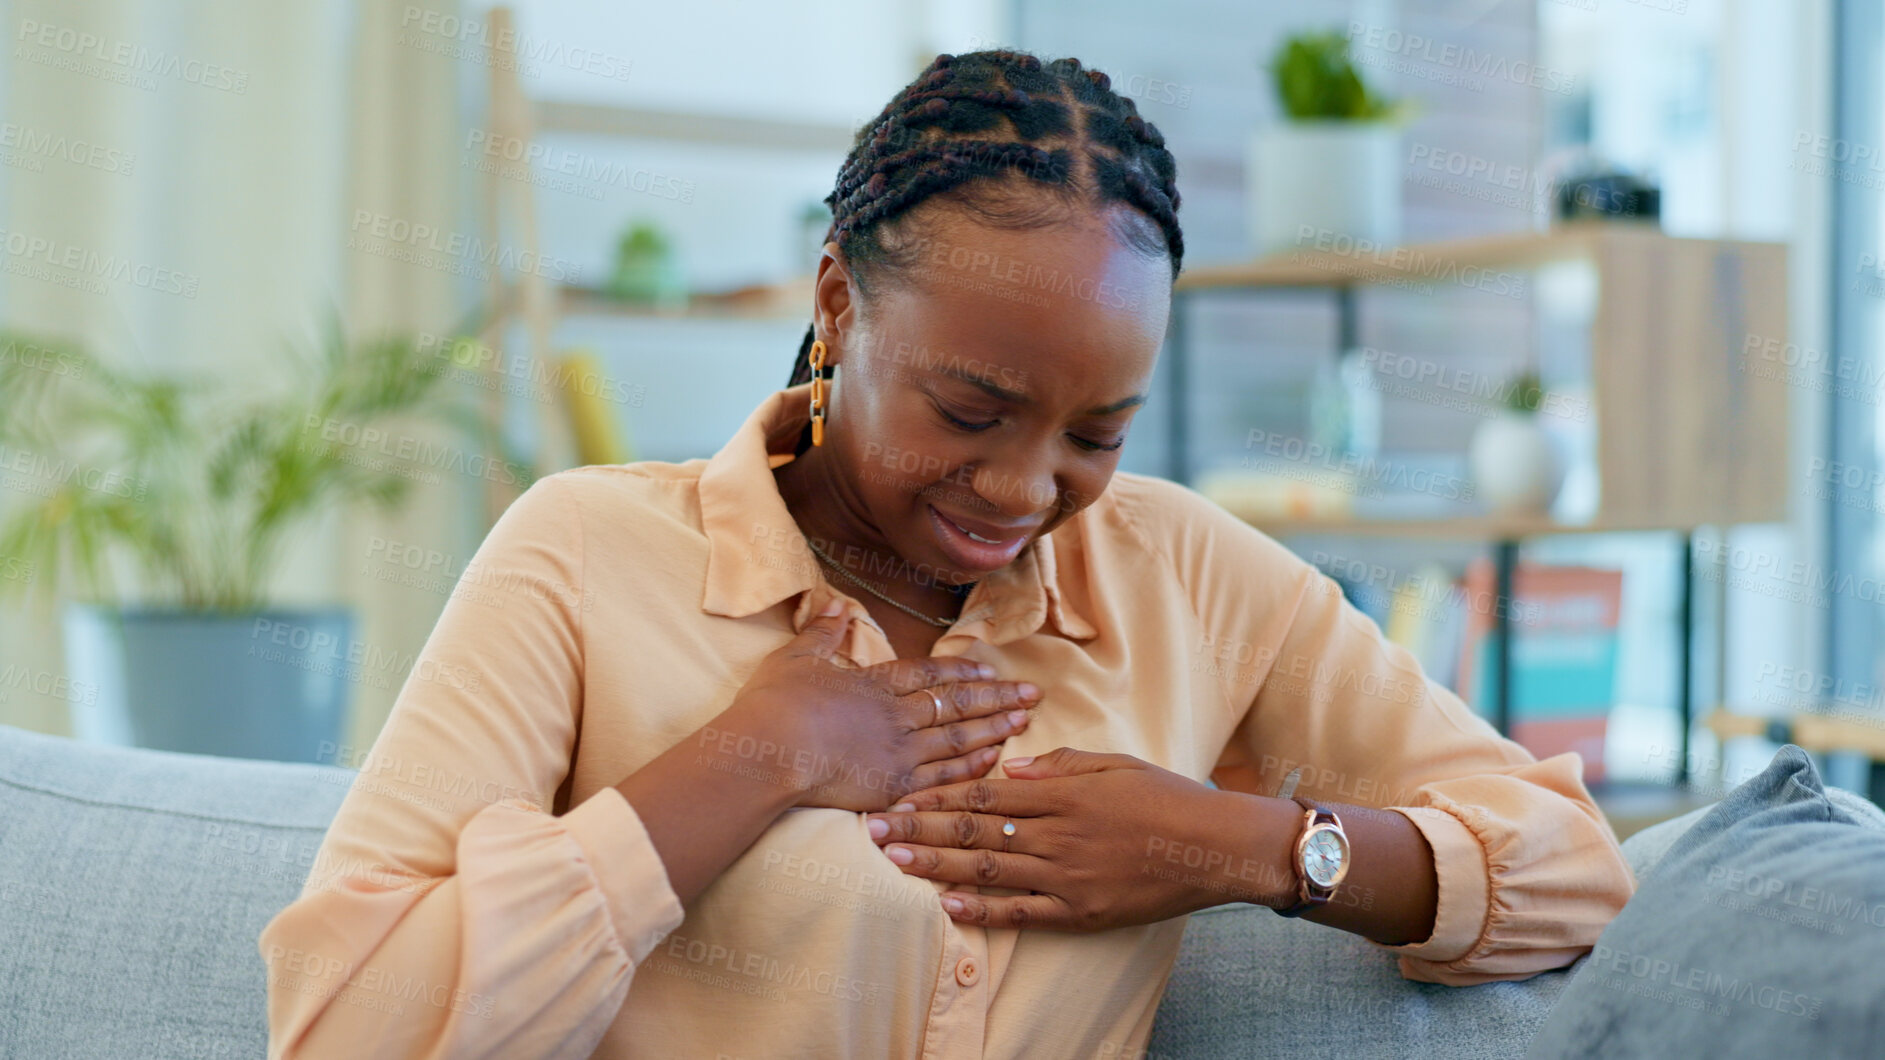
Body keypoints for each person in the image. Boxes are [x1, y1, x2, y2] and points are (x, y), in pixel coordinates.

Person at [260, 49, 1634, 1059]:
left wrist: (1241, 845)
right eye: (967, 412)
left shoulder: (1189, 580)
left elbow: (1573, 865)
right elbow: (342, 1030)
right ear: (838, 303)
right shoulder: (582, 554)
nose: (1025, 488)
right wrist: (754, 760)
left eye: (1096, 431)